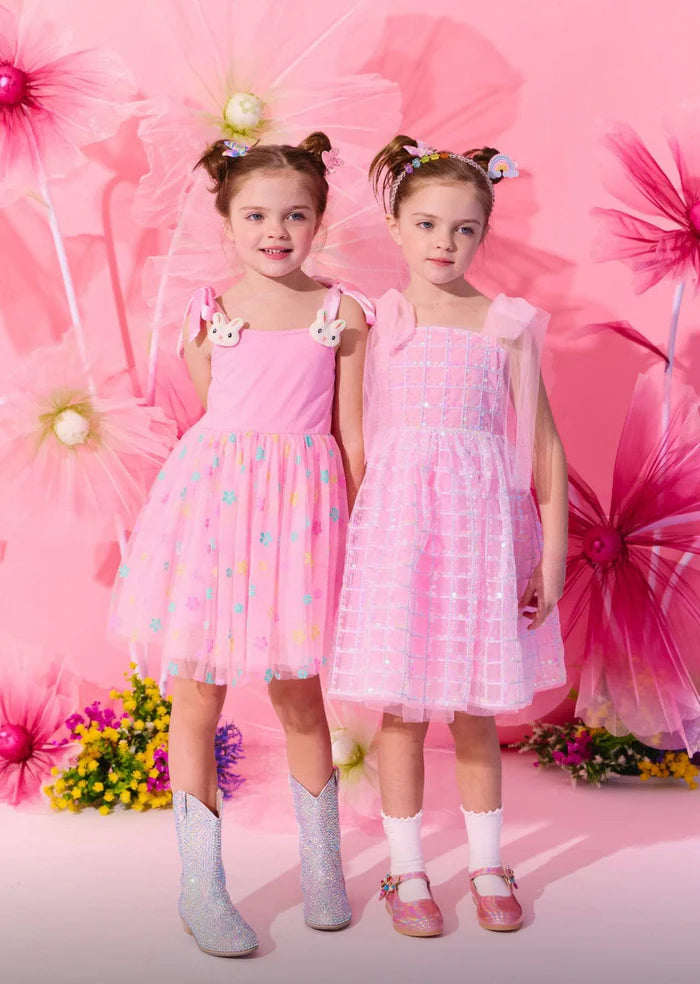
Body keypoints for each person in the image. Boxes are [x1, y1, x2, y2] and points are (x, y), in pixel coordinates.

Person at [109, 132, 372, 956]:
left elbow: (349, 432)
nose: (276, 229)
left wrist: (360, 528)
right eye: (256, 213)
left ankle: (323, 867)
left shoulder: (342, 312)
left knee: (301, 690)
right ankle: (200, 885)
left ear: (321, 218)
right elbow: (215, 415)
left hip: (304, 513)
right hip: (217, 510)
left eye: (295, 214)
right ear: (227, 219)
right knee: (199, 691)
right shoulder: (208, 312)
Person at [329, 136, 568, 936]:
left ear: (484, 235)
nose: (444, 242)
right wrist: (364, 543)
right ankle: (405, 870)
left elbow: (542, 446)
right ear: (395, 225)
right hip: (401, 537)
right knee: (402, 712)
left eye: (464, 229)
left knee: (472, 709)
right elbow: (354, 441)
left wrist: (555, 553)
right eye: (427, 224)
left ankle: (489, 861)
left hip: (481, 541)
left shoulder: (507, 324)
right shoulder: (376, 319)